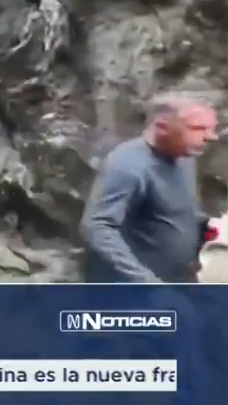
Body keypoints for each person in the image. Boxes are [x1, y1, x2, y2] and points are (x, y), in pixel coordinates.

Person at [81, 94, 219, 283]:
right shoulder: (128, 165)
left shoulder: (185, 157)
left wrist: (208, 228)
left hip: (179, 281)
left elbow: (171, 211)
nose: (211, 137)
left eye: (211, 129)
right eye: (198, 128)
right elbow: (97, 227)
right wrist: (146, 282)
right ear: (162, 127)